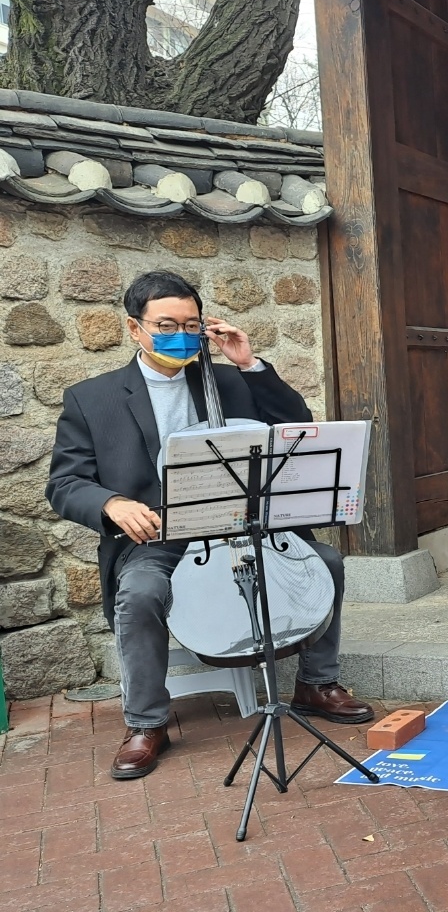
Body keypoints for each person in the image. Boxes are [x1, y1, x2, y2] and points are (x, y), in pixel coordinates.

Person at [46, 271, 373, 782]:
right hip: (160, 535)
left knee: (326, 562)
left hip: (238, 525)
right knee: (140, 593)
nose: (181, 335)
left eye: (191, 324)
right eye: (166, 325)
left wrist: (250, 364)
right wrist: (112, 503)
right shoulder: (93, 398)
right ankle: (147, 722)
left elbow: (295, 422)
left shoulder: (226, 380)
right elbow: (65, 483)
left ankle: (316, 683)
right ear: (135, 329)